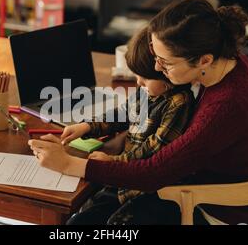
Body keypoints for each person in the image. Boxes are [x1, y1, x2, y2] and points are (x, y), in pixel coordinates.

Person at [29, 0, 248, 225]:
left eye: (166, 63)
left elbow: (153, 173)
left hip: (224, 208)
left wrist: (68, 163)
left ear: (204, 60)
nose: (157, 68)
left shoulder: (226, 105)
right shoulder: (224, 59)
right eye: (155, 54)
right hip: (208, 177)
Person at [59, 27, 195, 224]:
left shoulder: (179, 103)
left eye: (145, 77)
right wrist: (88, 126)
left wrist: (113, 161)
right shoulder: (147, 92)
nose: (138, 82)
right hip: (123, 180)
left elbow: (154, 150)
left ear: (166, 75)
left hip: (146, 189)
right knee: (77, 221)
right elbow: (123, 113)